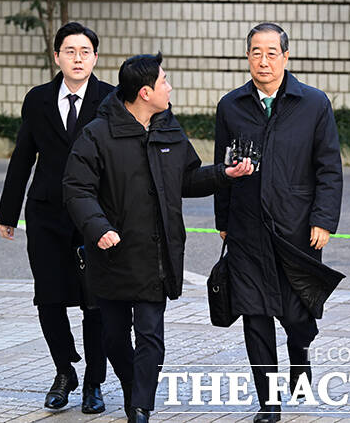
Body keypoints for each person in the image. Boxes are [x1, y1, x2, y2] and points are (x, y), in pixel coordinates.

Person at [62, 52, 253, 423]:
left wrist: (224, 174)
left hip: (157, 255)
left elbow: (187, 179)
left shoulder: (169, 129)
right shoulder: (97, 134)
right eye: (164, 81)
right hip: (113, 255)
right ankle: (134, 387)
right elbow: (76, 188)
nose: (170, 87)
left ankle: (140, 407)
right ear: (145, 92)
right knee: (114, 338)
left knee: (151, 336)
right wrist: (99, 228)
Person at [214, 23, 343, 423]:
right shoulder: (231, 106)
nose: (264, 60)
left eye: (272, 52)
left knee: (298, 315)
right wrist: (223, 219)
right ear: (247, 56)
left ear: (286, 57)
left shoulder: (313, 103)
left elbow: (328, 168)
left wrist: (323, 220)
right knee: (254, 315)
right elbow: (222, 167)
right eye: (256, 52)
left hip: (297, 230)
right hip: (247, 229)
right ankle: (269, 403)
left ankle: (299, 353)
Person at [0, 22, 112, 414]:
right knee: (48, 297)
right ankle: (65, 371)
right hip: (46, 213)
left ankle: (94, 382)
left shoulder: (111, 99)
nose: (78, 58)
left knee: (95, 301)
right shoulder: (38, 99)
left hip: (95, 215)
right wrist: (8, 212)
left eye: (85, 52)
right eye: (70, 51)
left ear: (95, 57)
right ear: (57, 56)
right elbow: (23, 156)